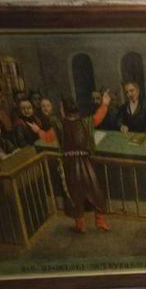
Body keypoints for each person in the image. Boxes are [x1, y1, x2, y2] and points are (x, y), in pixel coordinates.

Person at [59, 99, 110, 233]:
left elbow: (48, 136)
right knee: (81, 193)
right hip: (77, 163)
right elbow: (98, 118)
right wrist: (105, 104)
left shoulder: (78, 123)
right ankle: (85, 223)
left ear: (64, 110)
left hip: (80, 163)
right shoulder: (64, 124)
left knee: (88, 191)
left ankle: (93, 222)